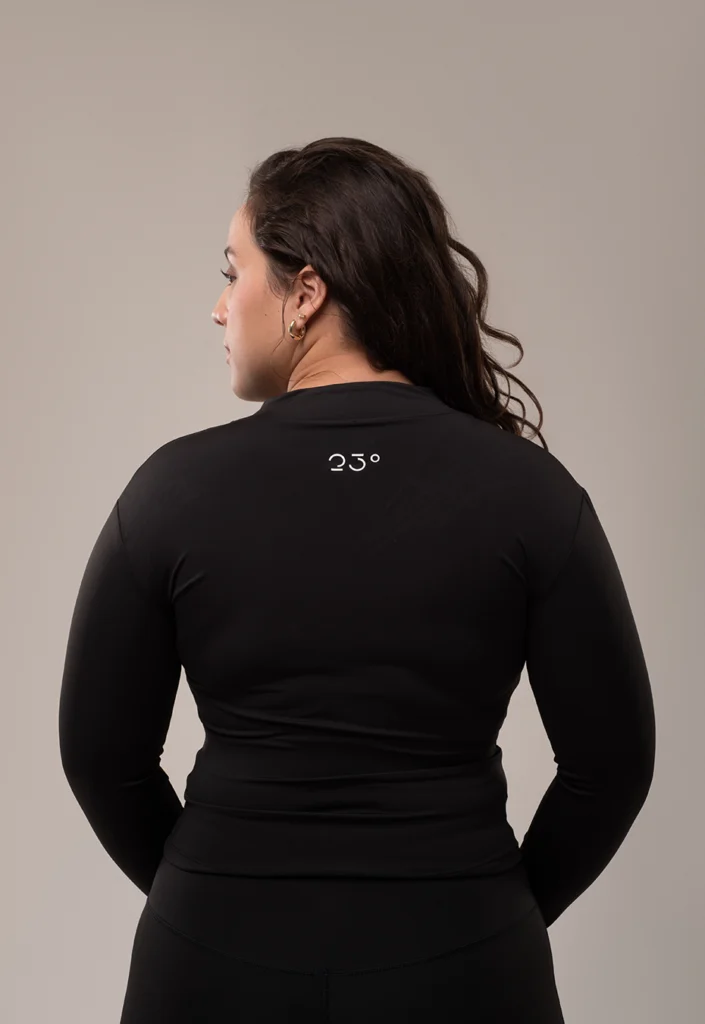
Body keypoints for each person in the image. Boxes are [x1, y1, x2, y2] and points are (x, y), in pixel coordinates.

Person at [58, 137, 656, 1023]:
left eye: (233, 272)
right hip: (466, 965)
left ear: (305, 293)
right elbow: (611, 767)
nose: (219, 308)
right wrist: (493, 913)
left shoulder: (170, 491)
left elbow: (101, 759)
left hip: (209, 964)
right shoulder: (531, 493)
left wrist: (207, 894)